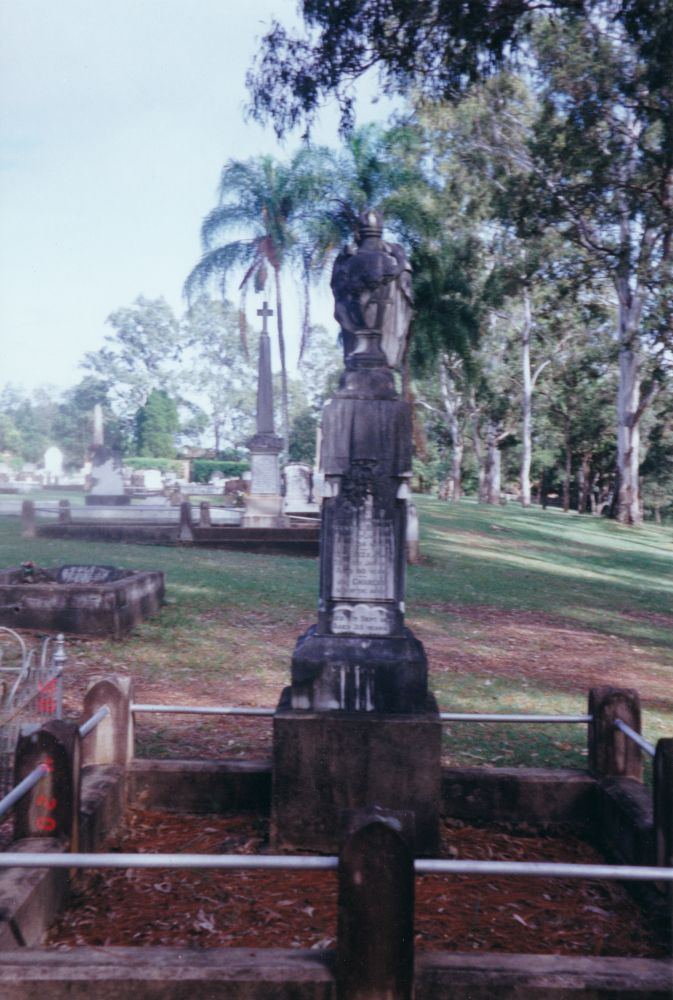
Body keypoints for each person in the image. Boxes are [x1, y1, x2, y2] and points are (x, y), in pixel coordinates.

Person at [331, 209, 412, 369]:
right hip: (375, 345)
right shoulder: (391, 262)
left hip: (359, 341)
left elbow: (338, 290)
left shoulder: (347, 262)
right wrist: (401, 261)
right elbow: (406, 292)